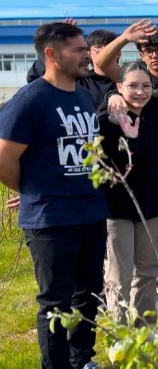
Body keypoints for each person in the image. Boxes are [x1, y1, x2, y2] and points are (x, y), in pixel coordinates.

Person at [0, 22, 107, 368]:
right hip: (51, 220)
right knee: (56, 304)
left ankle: (82, 360)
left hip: (91, 214)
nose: (87, 56)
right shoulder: (30, 100)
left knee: (89, 296)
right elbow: (4, 159)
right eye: (79, 50)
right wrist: (34, 189)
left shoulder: (82, 93)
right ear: (51, 54)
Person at [99, 61, 158, 323]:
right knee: (120, 272)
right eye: (132, 86)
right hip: (117, 209)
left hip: (151, 207)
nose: (140, 92)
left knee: (149, 270)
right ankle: (120, 329)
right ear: (119, 87)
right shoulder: (106, 122)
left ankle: (144, 327)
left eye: (145, 86)